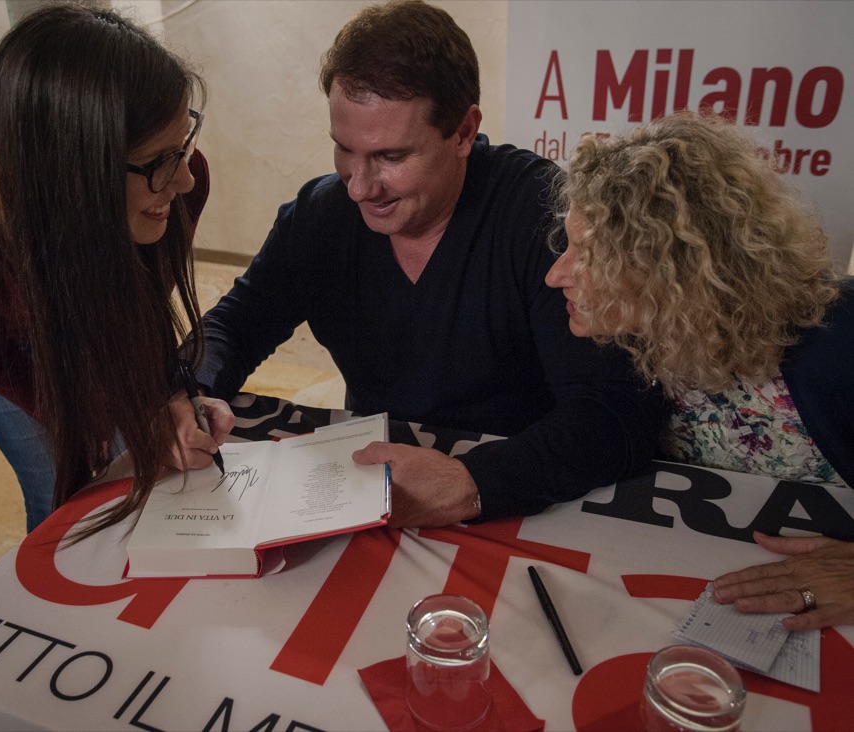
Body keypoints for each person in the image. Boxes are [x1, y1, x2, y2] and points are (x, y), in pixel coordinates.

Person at [194, 0, 667, 528]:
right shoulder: (320, 217)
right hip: (374, 490)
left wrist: (473, 483)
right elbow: (233, 326)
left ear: (464, 132)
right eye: (345, 149)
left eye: (391, 157)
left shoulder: (546, 217)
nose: (359, 187)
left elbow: (616, 410)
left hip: (530, 502)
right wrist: (191, 391)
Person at [0, 3, 234, 535]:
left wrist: (163, 400)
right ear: (69, 170)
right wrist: (102, 422)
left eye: (183, 146)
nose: (186, 180)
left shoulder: (177, 186)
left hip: (106, 316)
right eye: (157, 162)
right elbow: (1, 364)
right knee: (57, 487)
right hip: (12, 348)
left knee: (144, 461)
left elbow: (137, 313)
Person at [544, 109, 853, 630]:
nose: (556, 275)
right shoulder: (626, 335)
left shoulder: (838, 342)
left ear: (677, 268)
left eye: (589, 255)